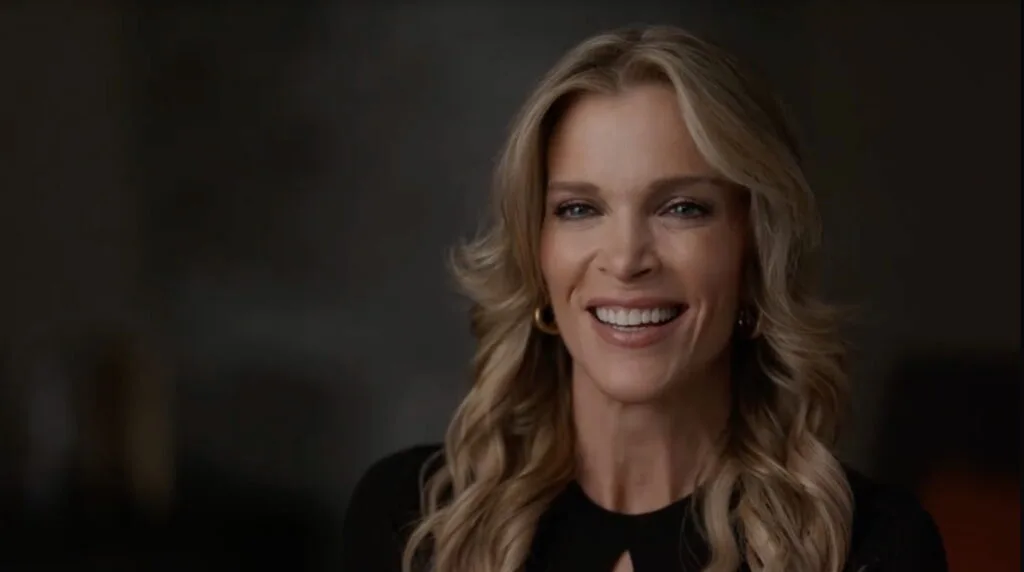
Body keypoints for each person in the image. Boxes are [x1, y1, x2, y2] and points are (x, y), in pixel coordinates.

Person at [340, 25, 947, 572]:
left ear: (755, 248)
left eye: (682, 207)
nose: (627, 258)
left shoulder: (869, 547)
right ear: (536, 252)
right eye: (579, 208)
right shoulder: (413, 522)